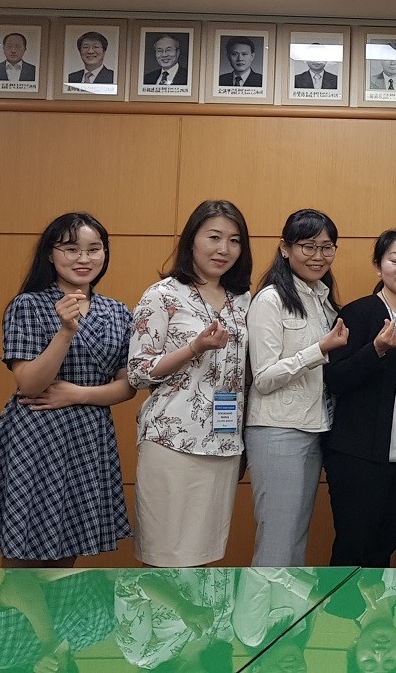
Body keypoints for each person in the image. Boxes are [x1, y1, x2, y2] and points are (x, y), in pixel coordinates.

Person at [0, 213, 135, 566]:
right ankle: (17, 599)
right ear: (50, 254)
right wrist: (66, 331)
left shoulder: (117, 311)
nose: (83, 258)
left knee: (66, 555)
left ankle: (54, 605)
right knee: (25, 553)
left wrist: (77, 394)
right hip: (39, 435)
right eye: (71, 249)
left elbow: (127, 386)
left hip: (89, 437)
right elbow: (30, 384)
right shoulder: (28, 305)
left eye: (94, 249)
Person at [127, 200, 253, 568]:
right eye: (214, 237)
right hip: (172, 440)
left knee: (203, 557)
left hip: (224, 444)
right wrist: (194, 347)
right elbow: (138, 371)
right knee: (164, 556)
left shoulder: (243, 300)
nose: (223, 249)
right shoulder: (162, 295)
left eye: (234, 240)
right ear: (192, 239)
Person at [323, 228, 396, 567]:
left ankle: (374, 605)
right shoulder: (359, 313)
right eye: (395, 259)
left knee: (385, 547)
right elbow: (334, 379)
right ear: (378, 265)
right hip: (359, 454)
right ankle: (340, 604)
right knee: (354, 548)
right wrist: (376, 350)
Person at [243, 209, 346, 567]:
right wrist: (319, 350)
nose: (318, 256)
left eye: (327, 247)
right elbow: (264, 377)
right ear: (285, 248)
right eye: (308, 246)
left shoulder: (323, 299)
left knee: (294, 539)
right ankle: (263, 608)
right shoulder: (270, 299)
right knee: (277, 541)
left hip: (314, 427)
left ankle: (286, 606)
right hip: (277, 429)